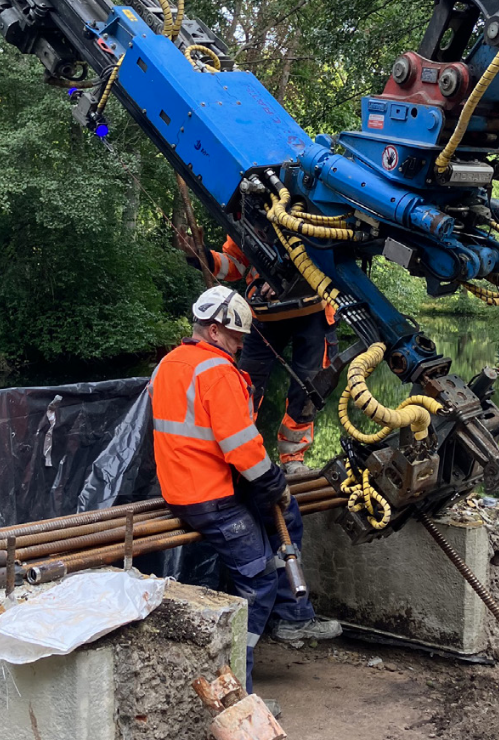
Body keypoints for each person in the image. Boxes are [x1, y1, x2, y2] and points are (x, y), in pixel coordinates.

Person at [150, 285, 341, 694]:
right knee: (257, 583)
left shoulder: (170, 363)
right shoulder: (218, 372)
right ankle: (242, 690)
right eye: (236, 337)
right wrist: (275, 483)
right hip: (210, 496)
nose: (240, 345)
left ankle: (293, 614)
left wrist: (270, 488)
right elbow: (241, 447)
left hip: (186, 486)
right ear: (216, 330)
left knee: (284, 521)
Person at [178, 234, 337, 474]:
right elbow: (234, 264)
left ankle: (293, 458)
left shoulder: (313, 212)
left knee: (308, 389)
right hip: (263, 314)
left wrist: (289, 277)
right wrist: (202, 255)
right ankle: (240, 453)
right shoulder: (246, 215)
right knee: (244, 385)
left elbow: (331, 252)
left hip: (313, 310)